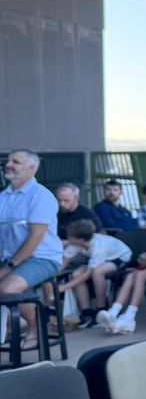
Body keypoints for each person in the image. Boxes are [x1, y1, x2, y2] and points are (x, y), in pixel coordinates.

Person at [0, 149, 65, 351]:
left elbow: (35, 238)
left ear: (32, 167)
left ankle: (36, 325)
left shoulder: (41, 196)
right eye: (8, 161)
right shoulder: (3, 196)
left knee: (6, 289)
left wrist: (7, 268)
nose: (9, 164)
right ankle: (10, 325)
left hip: (42, 258)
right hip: (11, 258)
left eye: (16, 162)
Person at [58, 219, 132, 328]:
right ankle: (86, 311)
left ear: (80, 239)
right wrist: (51, 276)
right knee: (76, 274)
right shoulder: (76, 244)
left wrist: (64, 287)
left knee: (97, 272)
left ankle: (101, 308)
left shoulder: (98, 246)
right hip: (101, 259)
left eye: (70, 237)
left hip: (119, 257)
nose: (67, 239)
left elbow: (88, 274)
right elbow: (63, 263)